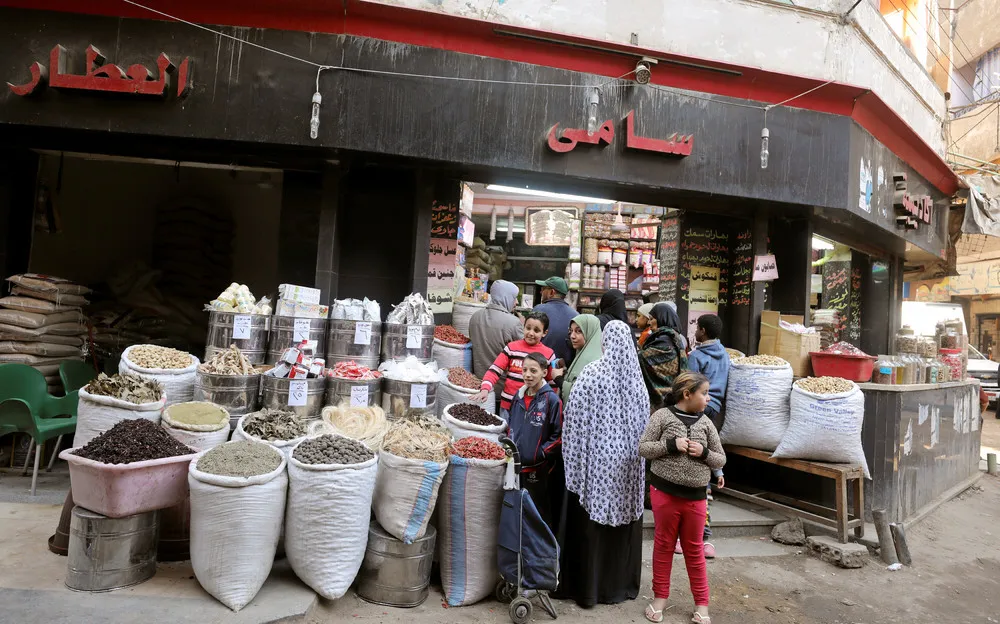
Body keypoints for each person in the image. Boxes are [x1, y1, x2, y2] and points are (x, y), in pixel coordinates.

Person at [555, 321, 649, 609]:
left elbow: (573, 420)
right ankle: (619, 587)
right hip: (628, 466)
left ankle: (588, 590)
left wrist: (574, 457)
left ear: (605, 343)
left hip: (595, 465)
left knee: (590, 523)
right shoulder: (637, 381)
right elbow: (645, 424)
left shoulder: (592, 373)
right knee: (622, 524)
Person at [639, 372, 726, 624]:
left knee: (694, 550)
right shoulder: (662, 417)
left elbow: (720, 459)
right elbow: (644, 447)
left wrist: (704, 451)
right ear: (687, 394)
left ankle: (702, 605)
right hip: (664, 494)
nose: (708, 399)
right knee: (664, 546)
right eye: (704, 393)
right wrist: (670, 445)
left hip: (696, 498)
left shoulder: (707, 423)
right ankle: (659, 599)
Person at [507, 352, 563, 530]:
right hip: (515, 468)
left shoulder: (551, 400)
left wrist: (541, 454)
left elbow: (559, 435)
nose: (528, 375)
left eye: (533, 370)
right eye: (524, 370)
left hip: (538, 470)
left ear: (544, 372)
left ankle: (542, 555)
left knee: (538, 514)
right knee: (517, 512)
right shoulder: (518, 397)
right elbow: (512, 424)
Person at [473, 311, 554, 418]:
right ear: (523, 327)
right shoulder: (511, 348)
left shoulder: (548, 354)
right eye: (528, 328)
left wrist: (549, 405)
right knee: (505, 434)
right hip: (508, 406)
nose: (531, 333)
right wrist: (485, 389)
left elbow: (551, 383)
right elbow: (495, 370)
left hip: (533, 408)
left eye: (536, 330)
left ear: (544, 333)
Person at [468, 280, 524, 379]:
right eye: (514, 298)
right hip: (503, 385)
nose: (516, 302)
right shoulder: (514, 323)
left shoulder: (475, 317)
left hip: (478, 381)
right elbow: (524, 354)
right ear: (506, 297)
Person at [639, 303, 688, 409]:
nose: (649, 322)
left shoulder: (664, 341)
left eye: (651, 319)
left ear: (662, 318)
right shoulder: (672, 337)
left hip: (662, 400)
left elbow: (642, 359)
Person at [533, 276, 578, 366]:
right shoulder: (576, 315)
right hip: (563, 368)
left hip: (540, 366)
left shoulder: (539, 309)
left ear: (551, 292)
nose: (540, 291)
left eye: (543, 289)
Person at [560, 314, 602, 400]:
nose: (572, 336)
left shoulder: (592, 362)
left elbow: (580, 393)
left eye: (579, 331)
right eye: (571, 331)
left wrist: (558, 380)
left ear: (590, 332)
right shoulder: (582, 354)